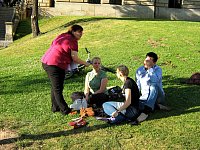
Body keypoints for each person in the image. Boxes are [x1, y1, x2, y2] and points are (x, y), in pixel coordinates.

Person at [41, 24, 90, 115]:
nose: (81, 34)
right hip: (54, 64)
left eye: (82, 32)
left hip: (47, 62)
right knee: (57, 88)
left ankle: (55, 107)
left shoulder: (63, 35)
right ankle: (64, 110)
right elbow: (75, 58)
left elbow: (54, 44)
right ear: (73, 31)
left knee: (55, 87)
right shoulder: (73, 41)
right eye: (79, 32)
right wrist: (85, 63)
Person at [136, 52, 169, 122]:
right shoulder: (139, 70)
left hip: (158, 96)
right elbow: (138, 85)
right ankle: (157, 106)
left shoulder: (158, 70)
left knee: (153, 85)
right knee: (135, 104)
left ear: (154, 63)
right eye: (146, 60)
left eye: (149, 60)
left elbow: (155, 81)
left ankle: (146, 112)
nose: (146, 62)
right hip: (144, 97)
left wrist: (150, 69)